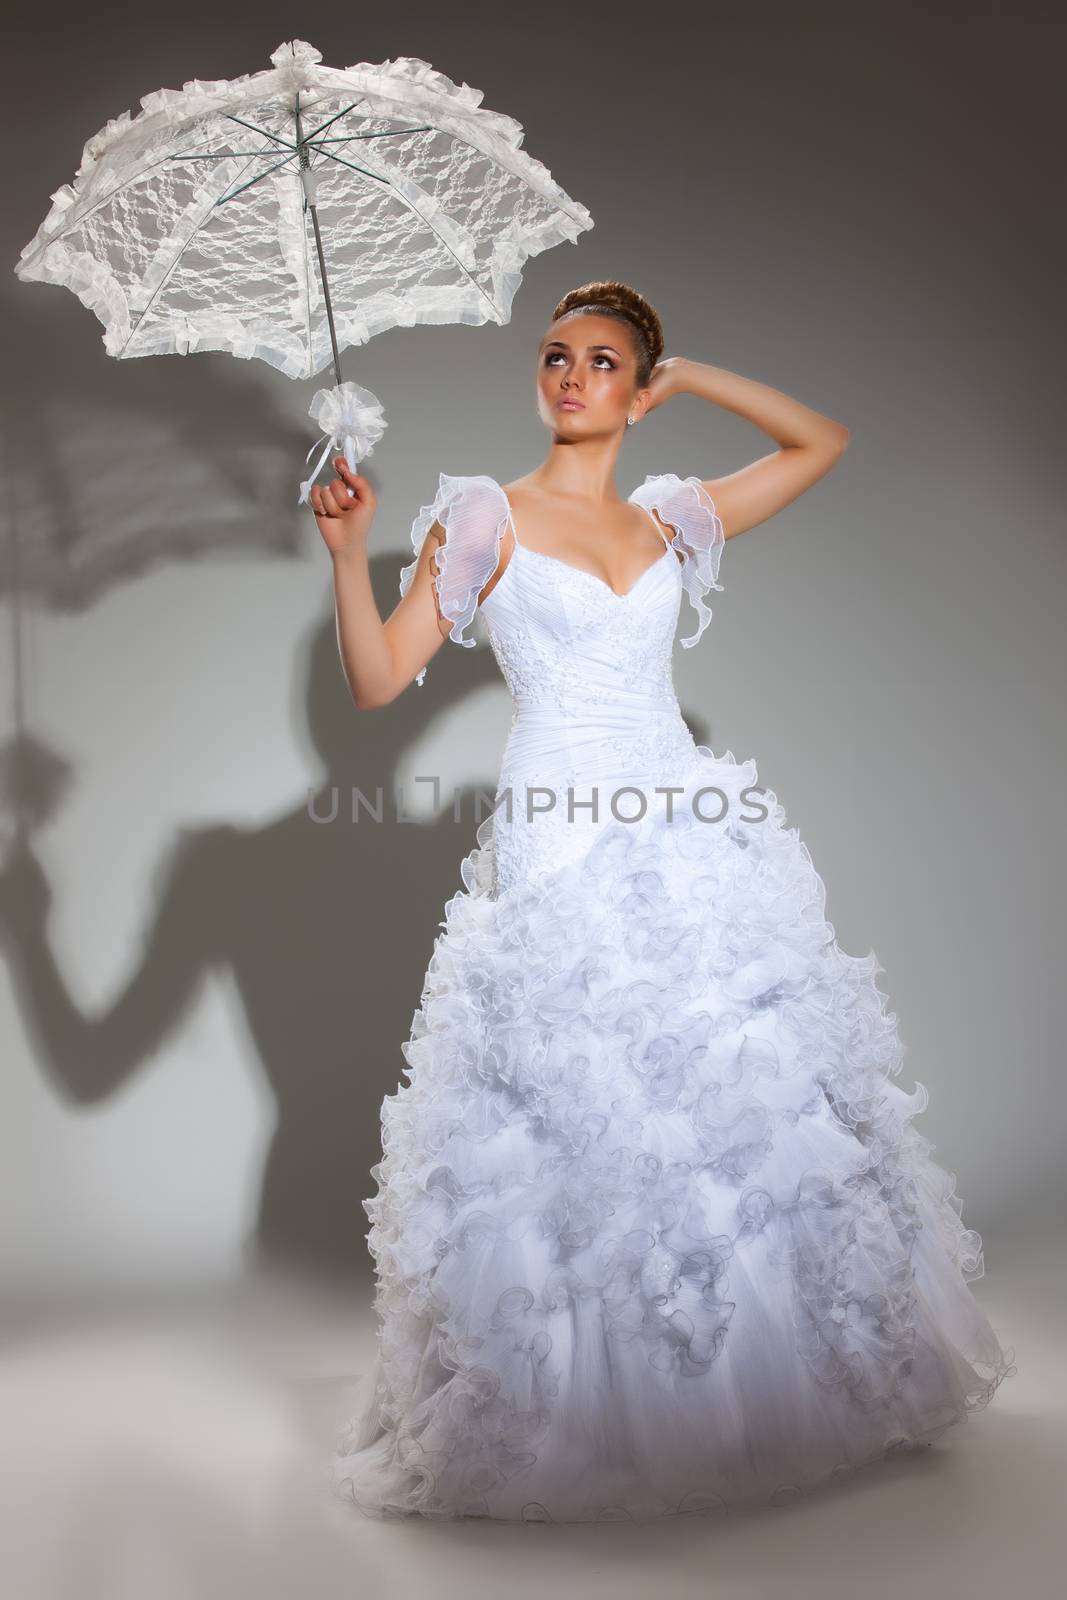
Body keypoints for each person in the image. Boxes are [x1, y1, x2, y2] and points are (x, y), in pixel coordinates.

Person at [312, 280, 1015, 1522]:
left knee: (722, 1092)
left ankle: (747, 1393)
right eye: (554, 357)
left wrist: (687, 375)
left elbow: (820, 444)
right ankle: (573, 1410)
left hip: (679, 819)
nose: (571, 377)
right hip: (555, 824)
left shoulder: (668, 517)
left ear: (635, 390)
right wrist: (338, 552)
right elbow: (377, 682)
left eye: (601, 363)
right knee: (565, 1104)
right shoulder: (482, 515)